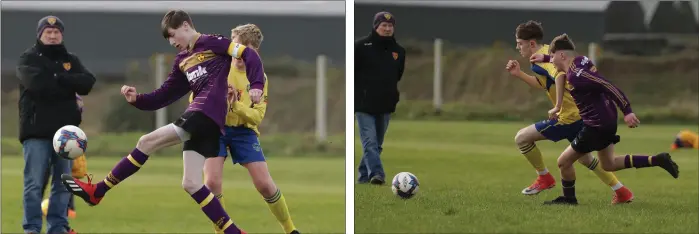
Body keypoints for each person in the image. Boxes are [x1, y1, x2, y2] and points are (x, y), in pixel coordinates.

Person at [59, 10, 265, 234]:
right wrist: (138, 99)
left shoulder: (213, 42)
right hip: (206, 124)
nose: (172, 42)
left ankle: (98, 190)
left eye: (173, 35)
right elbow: (165, 95)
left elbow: (249, 55)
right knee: (191, 183)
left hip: (204, 114)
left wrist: (256, 85)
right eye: (168, 38)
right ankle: (233, 231)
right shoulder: (182, 61)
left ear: (186, 26)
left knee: (146, 142)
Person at [530, 34, 680, 205]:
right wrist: (546, 57)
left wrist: (628, 111)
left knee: (563, 162)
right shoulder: (581, 60)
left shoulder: (577, 75)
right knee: (609, 164)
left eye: (553, 56)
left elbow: (608, 85)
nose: (553, 62)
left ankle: (568, 199)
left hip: (596, 125)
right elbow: (566, 63)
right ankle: (658, 159)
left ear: (562, 55)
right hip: (607, 121)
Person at [504, 21, 633, 204]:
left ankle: (544, 178)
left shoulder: (541, 58)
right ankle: (622, 192)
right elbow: (543, 84)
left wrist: (557, 106)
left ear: (531, 43)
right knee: (585, 159)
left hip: (569, 117)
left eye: (520, 43)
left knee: (522, 138)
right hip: (581, 115)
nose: (518, 47)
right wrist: (519, 74)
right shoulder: (546, 53)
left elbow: (559, 75)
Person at [189, 24, 299, 234]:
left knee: (265, 185)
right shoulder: (217, 66)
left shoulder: (260, 78)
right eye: (236, 48)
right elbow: (195, 99)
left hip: (243, 131)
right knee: (211, 183)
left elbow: (257, 117)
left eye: (245, 50)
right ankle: (221, 231)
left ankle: (290, 229)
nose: (238, 55)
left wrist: (235, 105)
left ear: (254, 52)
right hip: (214, 128)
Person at [17, 15, 95, 234]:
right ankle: (32, 228)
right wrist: (68, 81)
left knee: (62, 185)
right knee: (34, 185)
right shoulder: (28, 59)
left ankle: (58, 227)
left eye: (56, 32)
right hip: (36, 133)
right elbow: (37, 85)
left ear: (61, 34)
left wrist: (57, 78)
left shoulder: (72, 58)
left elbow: (88, 82)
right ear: (40, 34)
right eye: (47, 32)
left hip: (66, 135)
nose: (52, 35)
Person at [354, 11, 406, 185]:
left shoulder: (399, 51)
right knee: (369, 142)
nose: (387, 28)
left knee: (377, 145)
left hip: (385, 104)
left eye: (390, 26)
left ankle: (363, 177)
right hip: (364, 104)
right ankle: (377, 174)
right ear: (376, 27)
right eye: (383, 25)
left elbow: (397, 75)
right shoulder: (360, 47)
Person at [41, 94, 88, 219]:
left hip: (65, 139)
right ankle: (38, 206)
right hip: (49, 136)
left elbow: (78, 114)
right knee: (47, 174)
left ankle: (69, 208)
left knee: (65, 175)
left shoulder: (73, 97)